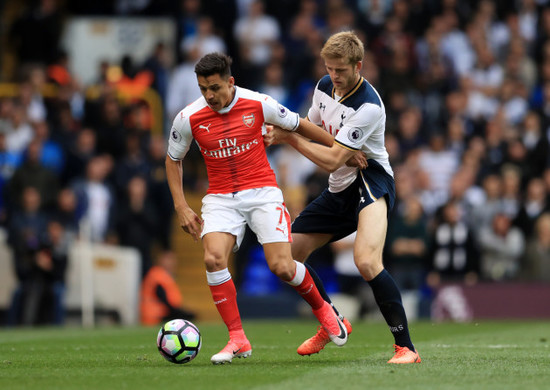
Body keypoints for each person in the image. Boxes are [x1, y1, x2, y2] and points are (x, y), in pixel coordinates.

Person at [165, 52, 347, 365]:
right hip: (221, 198)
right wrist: (181, 205)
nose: (209, 95)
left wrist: (342, 148)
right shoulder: (187, 118)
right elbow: (172, 159)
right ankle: (237, 338)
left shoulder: (259, 103)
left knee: (282, 267)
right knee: (212, 258)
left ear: (230, 82)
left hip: (262, 192)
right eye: (203, 89)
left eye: (215, 88)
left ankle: (325, 312)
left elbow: (301, 125)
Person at [264, 31, 421, 363]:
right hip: (340, 185)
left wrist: (289, 140)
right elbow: (312, 126)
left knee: (365, 260)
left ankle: (406, 347)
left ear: (358, 65)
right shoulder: (324, 86)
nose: (334, 76)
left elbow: (330, 158)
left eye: (341, 70)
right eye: (329, 68)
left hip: (370, 180)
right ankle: (331, 319)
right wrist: (293, 131)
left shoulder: (368, 106)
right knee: (288, 256)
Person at [140, 251, 195, 325]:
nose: (171, 262)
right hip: (157, 316)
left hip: (162, 313)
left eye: (172, 259)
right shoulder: (157, 275)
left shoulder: (164, 275)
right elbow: (163, 298)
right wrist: (179, 312)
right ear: (160, 260)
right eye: (168, 259)